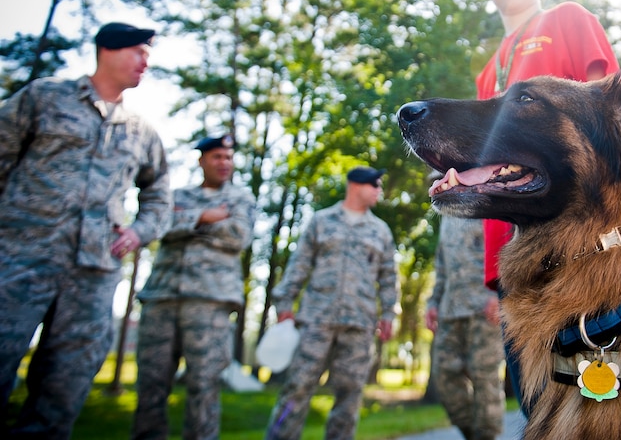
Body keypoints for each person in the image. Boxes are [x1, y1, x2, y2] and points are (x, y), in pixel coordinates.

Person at [0, 22, 172, 439]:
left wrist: (138, 232)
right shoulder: (45, 98)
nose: (145, 63)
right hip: (20, 257)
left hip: (94, 271)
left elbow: (159, 193)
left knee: (67, 383)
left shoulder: (141, 130)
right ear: (106, 51)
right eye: (138, 53)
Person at [474, 0, 620, 414]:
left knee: (602, 408)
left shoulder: (567, 19)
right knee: (539, 410)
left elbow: (609, 113)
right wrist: (492, 276)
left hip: (583, 251)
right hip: (514, 264)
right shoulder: (486, 73)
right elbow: (492, 177)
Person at [132, 133, 256, 440]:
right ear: (202, 160)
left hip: (210, 302)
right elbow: (158, 224)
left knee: (204, 387)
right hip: (161, 297)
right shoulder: (176, 196)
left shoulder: (241, 198)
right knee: (150, 386)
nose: (224, 163)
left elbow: (238, 235)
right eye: (217, 157)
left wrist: (185, 223)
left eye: (228, 157)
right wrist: (204, 216)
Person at [265, 166, 399, 440]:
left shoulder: (381, 231)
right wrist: (285, 303)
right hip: (316, 321)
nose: (379, 191)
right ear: (355, 186)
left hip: (359, 325)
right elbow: (299, 264)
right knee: (297, 388)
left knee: (349, 396)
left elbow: (388, 277)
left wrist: (388, 313)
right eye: (375, 185)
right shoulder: (321, 221)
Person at [425, 215, 504, 440]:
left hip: (484, 309)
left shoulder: (488, 201)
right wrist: (433, 302)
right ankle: (473, 434)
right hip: (450, 310)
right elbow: (442, 266)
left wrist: (499, 293)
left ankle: (486, 436)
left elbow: (506, 247)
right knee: (444, 376)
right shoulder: (447, 214)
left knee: (485, 379)